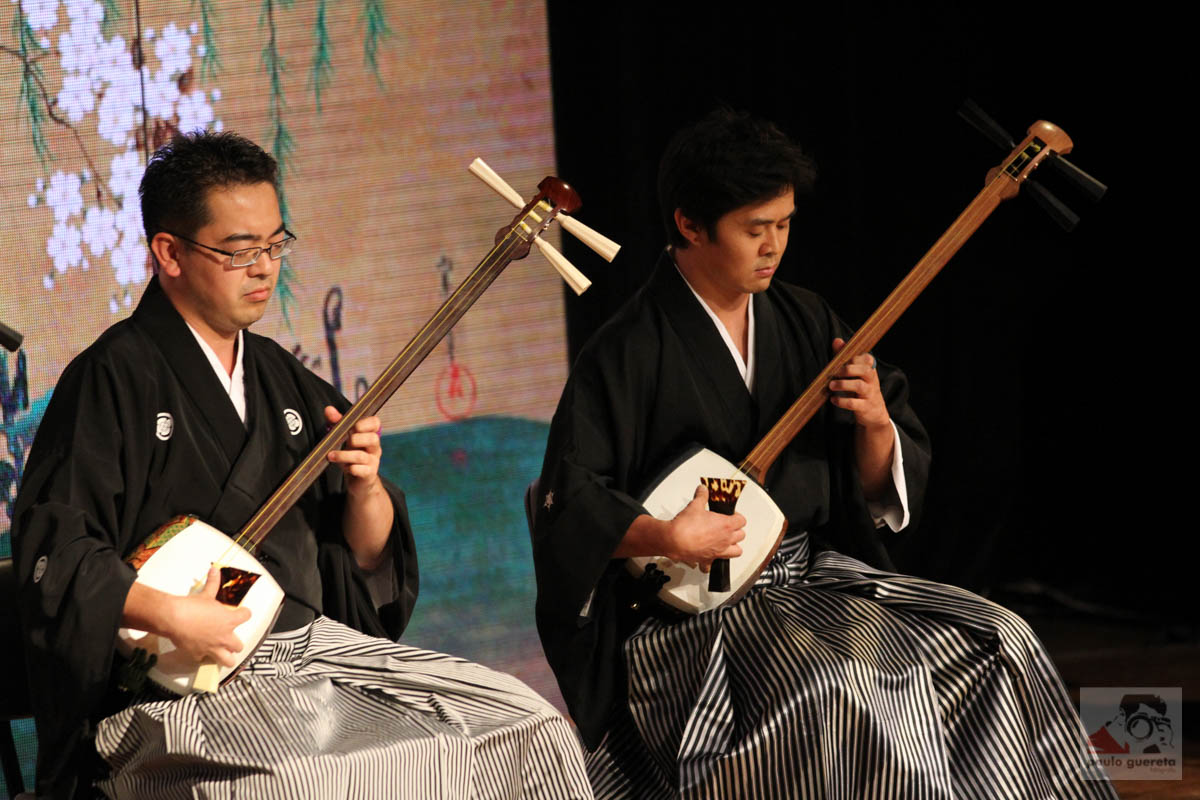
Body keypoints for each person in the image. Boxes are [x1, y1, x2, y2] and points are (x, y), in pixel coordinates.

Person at [531, 109, 1115, 799]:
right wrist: (664, 533)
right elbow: (568, 498)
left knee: (998, 638)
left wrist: (872, 424)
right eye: (755, 229)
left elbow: (871, 485)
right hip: (694, 619)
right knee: (848, 683)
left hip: (812, 579)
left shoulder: (805, 318)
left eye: (784, 224)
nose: (774, 246)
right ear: (690, 225)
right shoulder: (628, 351)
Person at [13, 131, 592, 800]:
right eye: (239, 251)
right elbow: (54, 556)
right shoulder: (110, 379)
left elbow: (364, 568)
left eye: (275, 245)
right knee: (299, 782)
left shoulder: (282, 380)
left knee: (525, 723)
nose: (264, 268)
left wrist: (365, 489)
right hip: (182, 684)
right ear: (168, 253)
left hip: (309, 653)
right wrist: (172, 616)